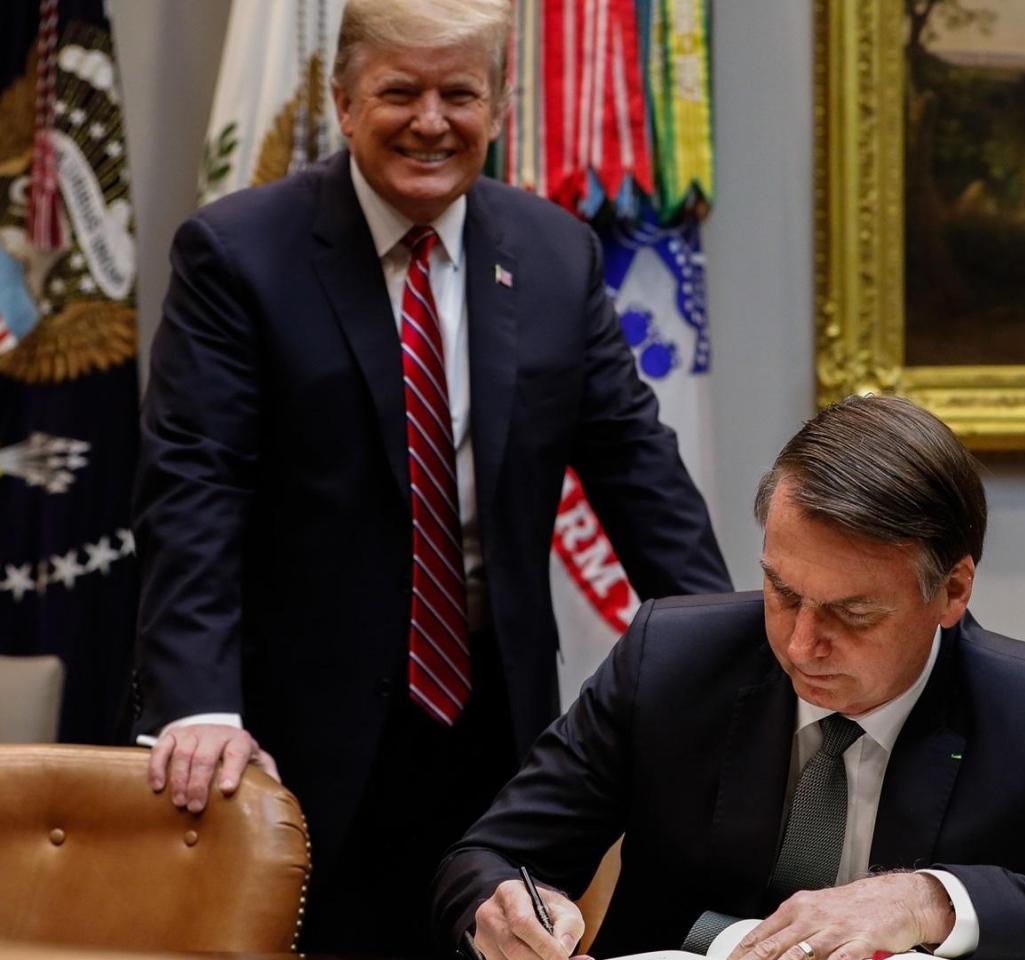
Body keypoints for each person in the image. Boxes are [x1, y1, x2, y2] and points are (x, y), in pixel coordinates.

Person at [129, 0, 730, 954]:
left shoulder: (554, 252)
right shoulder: (238, 254)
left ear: (499, 104)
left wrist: (734, 661)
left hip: (499, 721)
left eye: (460, 94)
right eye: (399, 92)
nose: (431, 121)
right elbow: (195, 489)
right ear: (342, 100)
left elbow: (640, 472)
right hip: (298, 729)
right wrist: (199, 702)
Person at [436, 395, 1025, 960]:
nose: (801, 643)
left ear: (952, 590)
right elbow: (486, 859)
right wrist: (504, 912)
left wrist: (931, 898)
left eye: (853, 613)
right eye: (782, 592)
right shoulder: (670, 660)